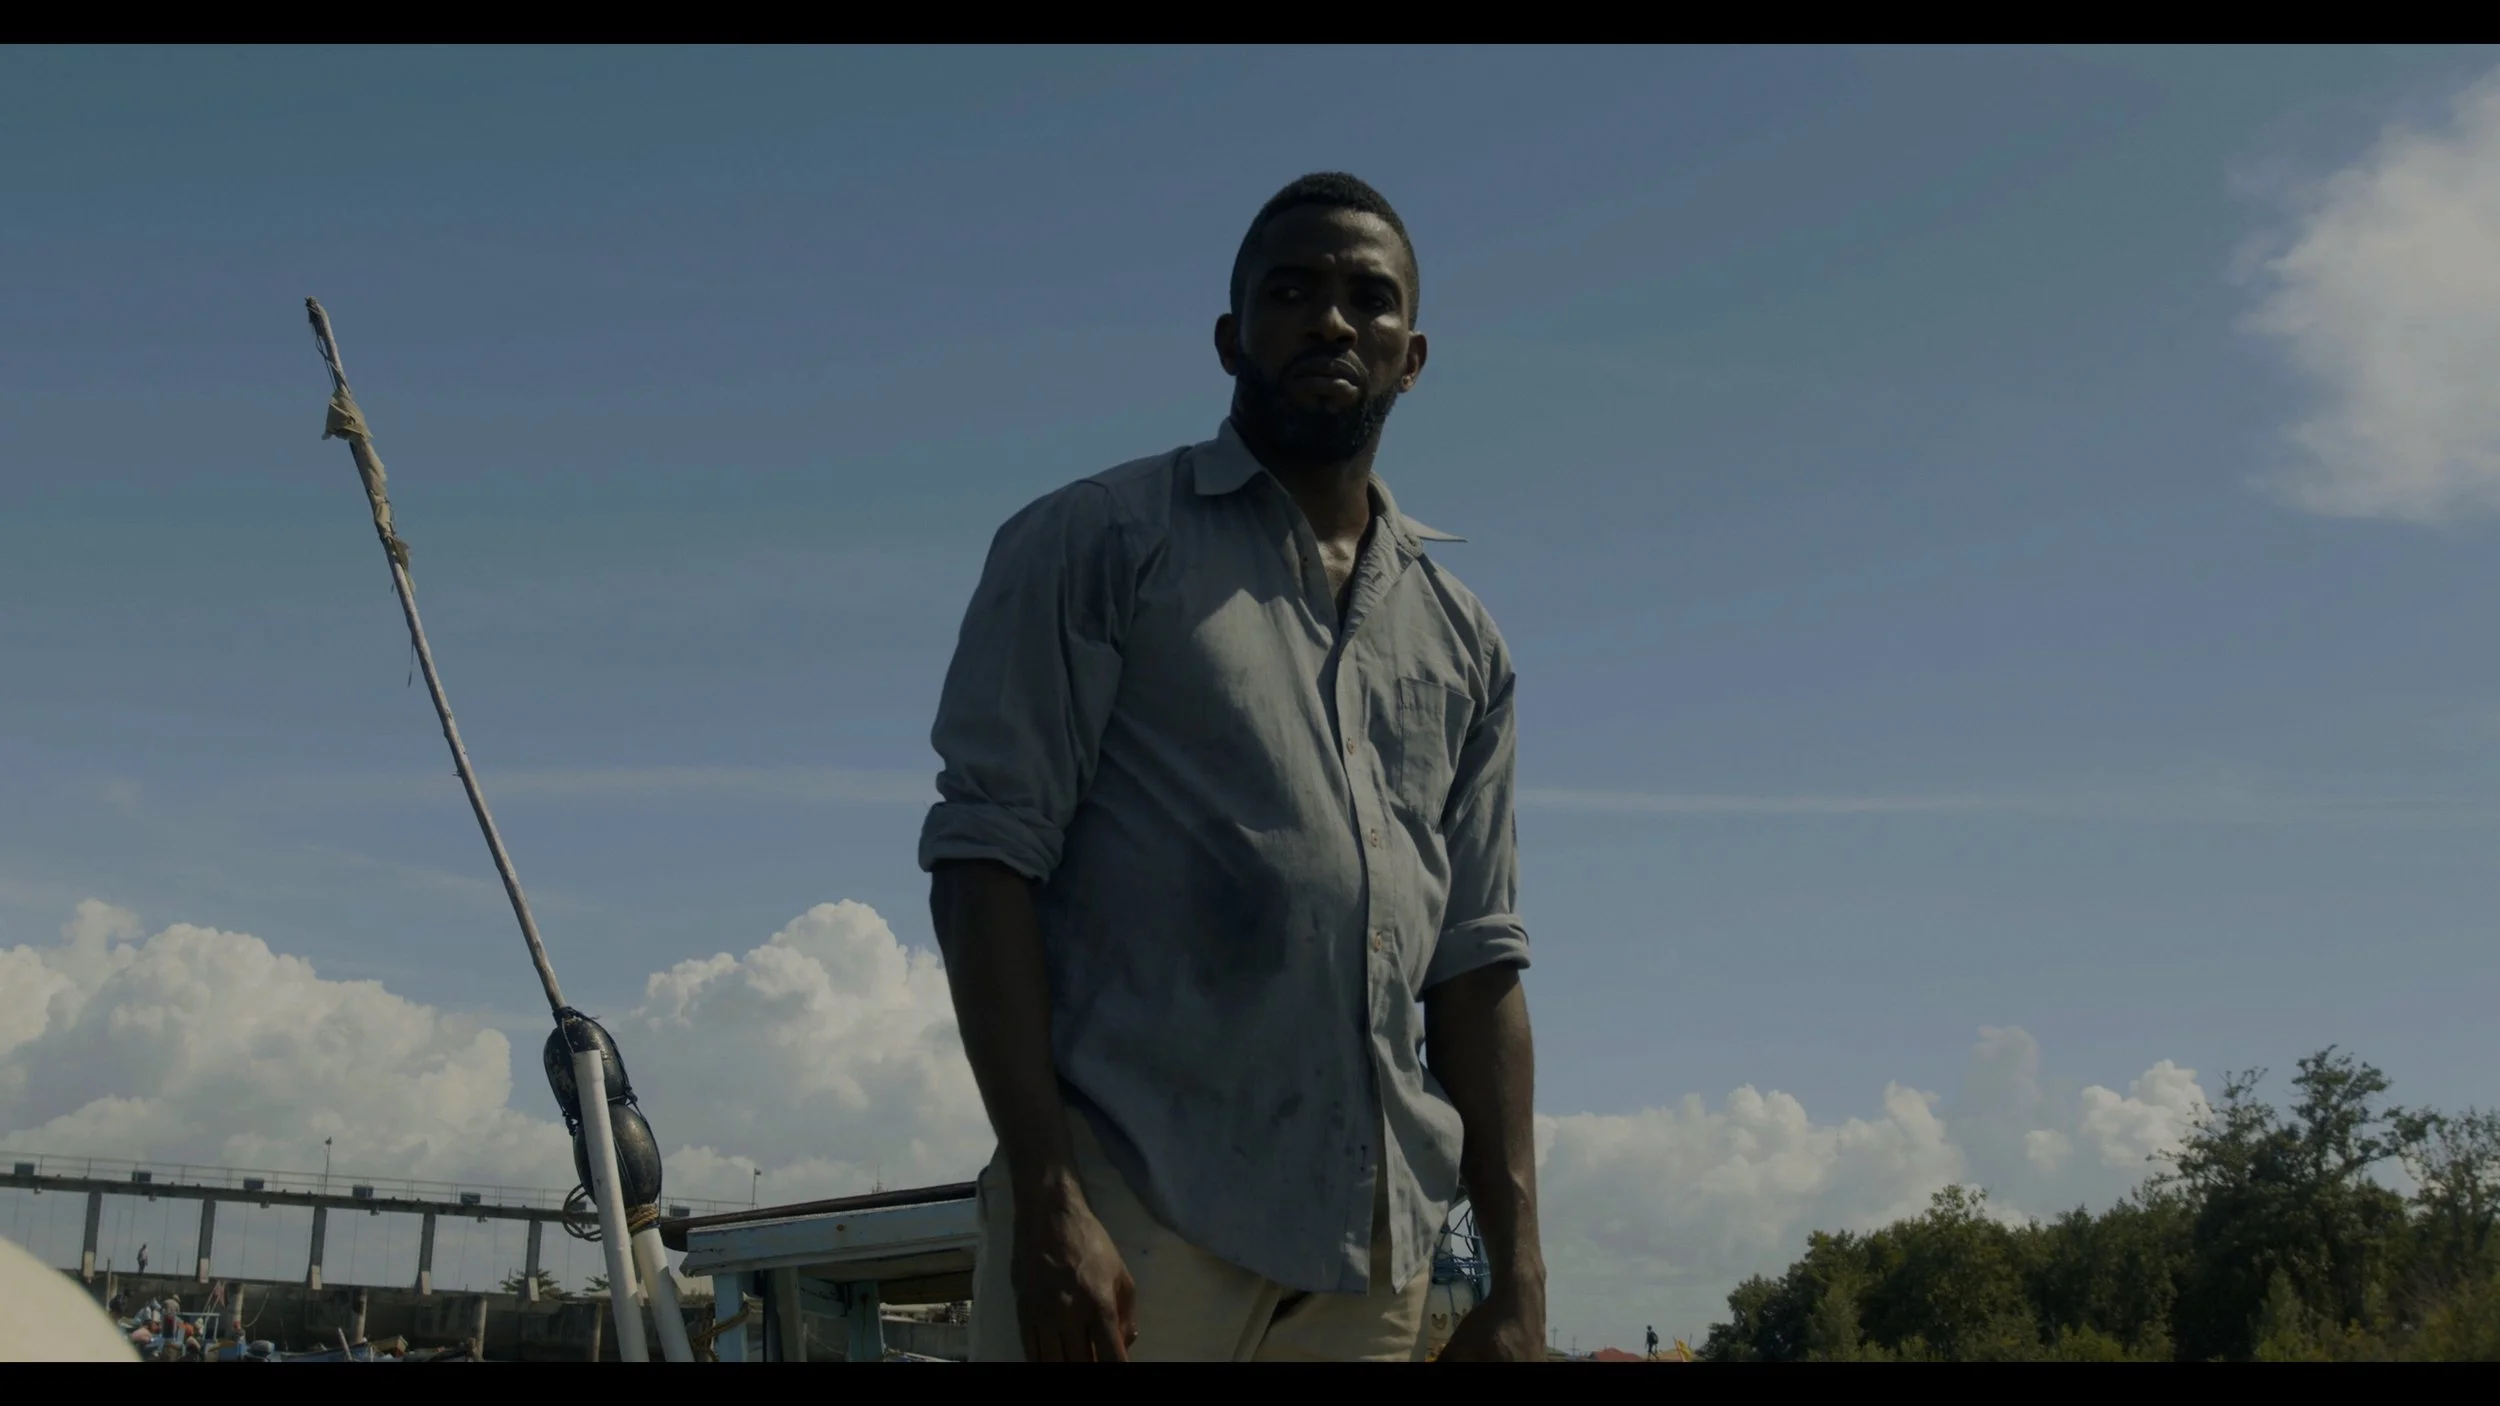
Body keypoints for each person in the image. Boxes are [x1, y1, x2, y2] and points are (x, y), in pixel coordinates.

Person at [925, 172, 1543, 1363]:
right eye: (1292, 291)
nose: (1330, 321)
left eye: (1369, 299)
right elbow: (982, 858)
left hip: (1371, 1249)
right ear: (1228, 338)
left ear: (1411, 358)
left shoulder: (1463, 638)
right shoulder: (1098, 542)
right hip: (1135, 1211)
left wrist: (1516, 1271)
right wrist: (1051, 1195)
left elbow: (1477, 960)